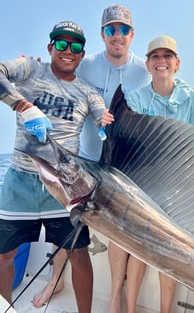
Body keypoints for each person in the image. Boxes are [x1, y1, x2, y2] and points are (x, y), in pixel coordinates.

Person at [33, 5, 194, 312]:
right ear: (102, 34)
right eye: (111, 30)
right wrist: (34, 68)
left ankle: (119, 297)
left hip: (124, 167)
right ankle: (55, 277)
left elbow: (168, 82)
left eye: (123, 30)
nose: (117, 36)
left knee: (124, 232)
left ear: (131, 35)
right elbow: (59, 71)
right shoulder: (86, 66)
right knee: (66, 221)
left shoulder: (144, 67)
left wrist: (192, 91)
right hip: (86, 159)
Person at [0, 20, 114, 313]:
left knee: (78, 254)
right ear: (50, 47)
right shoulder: (29, 68)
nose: (68, 51)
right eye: (61, 44)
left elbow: (101, 111)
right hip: (20, 182)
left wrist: (104, 121)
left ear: (81, 53)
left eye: (75, 47)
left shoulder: (87, 92)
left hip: (64, 188)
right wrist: (22, 106)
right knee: (3, 256)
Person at [124, 35, 194, 313]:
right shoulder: (135, 98)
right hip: (143, 185)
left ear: (177, 64)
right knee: (139, 250)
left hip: (177, 189)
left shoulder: (191, 98)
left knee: (168, 251)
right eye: (155, 56)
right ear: (147, 64)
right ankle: (130, 309)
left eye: (167, 56)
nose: (161, 61)